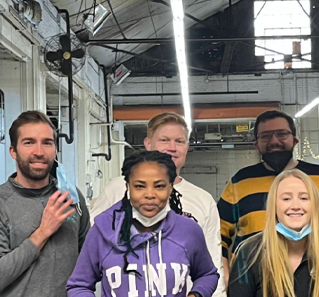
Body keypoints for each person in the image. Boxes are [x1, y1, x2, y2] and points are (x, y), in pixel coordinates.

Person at [91, 112, 225, 296]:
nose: (172, 148)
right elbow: (91, 251)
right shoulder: (117, 189)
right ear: (148, 144)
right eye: (164, 140)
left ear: (187, 147)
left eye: (179, 141)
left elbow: (213, 264)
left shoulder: (203, 200)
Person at [67, 151, 221, 297]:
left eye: (159, 186)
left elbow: (207, 275)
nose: (149, 194)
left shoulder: (189, 231)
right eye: (139, 186)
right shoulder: (102, 231)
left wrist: (196, 294)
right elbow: (78, 285)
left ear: (170, 188)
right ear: (128, 187)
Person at [0, 110, 91, 297]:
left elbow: (89, 259)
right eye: (29, 142)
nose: (39, 152)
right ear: (13, 151)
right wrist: (43, 232)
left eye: (47, 143)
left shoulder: (70, 196)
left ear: (55, 150)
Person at [219, 110, 319, 277]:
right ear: (256, 144)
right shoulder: (239, 182)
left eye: (282, 134)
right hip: (252, 279)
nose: (274, 141)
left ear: (295, 140)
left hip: (312, 276)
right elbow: (218, 235)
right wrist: (225, 273)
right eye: (265, 136)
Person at [228, 170, 319, 297]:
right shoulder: (249, 254)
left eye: (303, 198)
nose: (295, 206)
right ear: (274, 205)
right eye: (286, 199)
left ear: (315, 206)